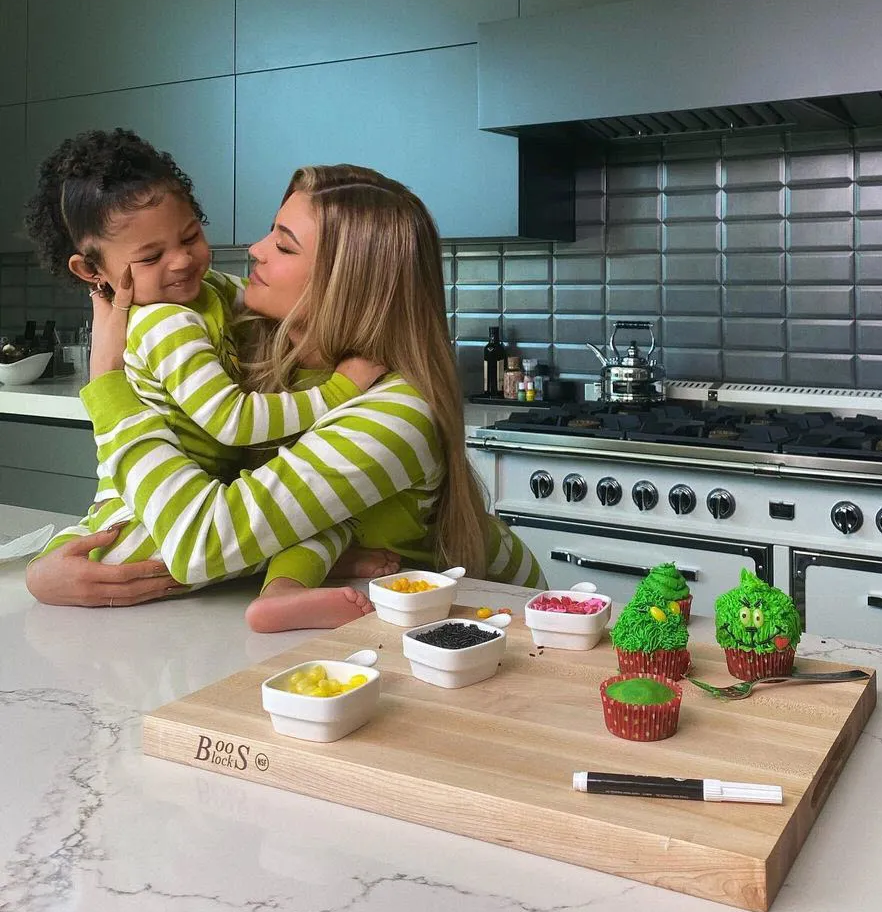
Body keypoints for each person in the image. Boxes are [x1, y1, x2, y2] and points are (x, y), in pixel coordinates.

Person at [26, 162, 544, 622]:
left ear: (347, 282)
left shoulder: (397, 414)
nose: (254, 249)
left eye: (284, 244)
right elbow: (141, 489)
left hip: (487, 616)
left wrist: (107, 384)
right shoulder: (244, 326)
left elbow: (202, 544)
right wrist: (48, 569)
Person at [24, 131, 396, 627]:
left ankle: (290, 581)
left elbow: (278, 295)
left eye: (190, 237)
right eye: (151, 258)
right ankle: (288, 581)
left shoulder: (203, 293)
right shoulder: (166, 322)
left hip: (171, 501)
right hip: (152, 517)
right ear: (92, 270)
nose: (181, 261)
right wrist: (338, 391)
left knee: (321, 521)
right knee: (311, 526)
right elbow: (232, 422)